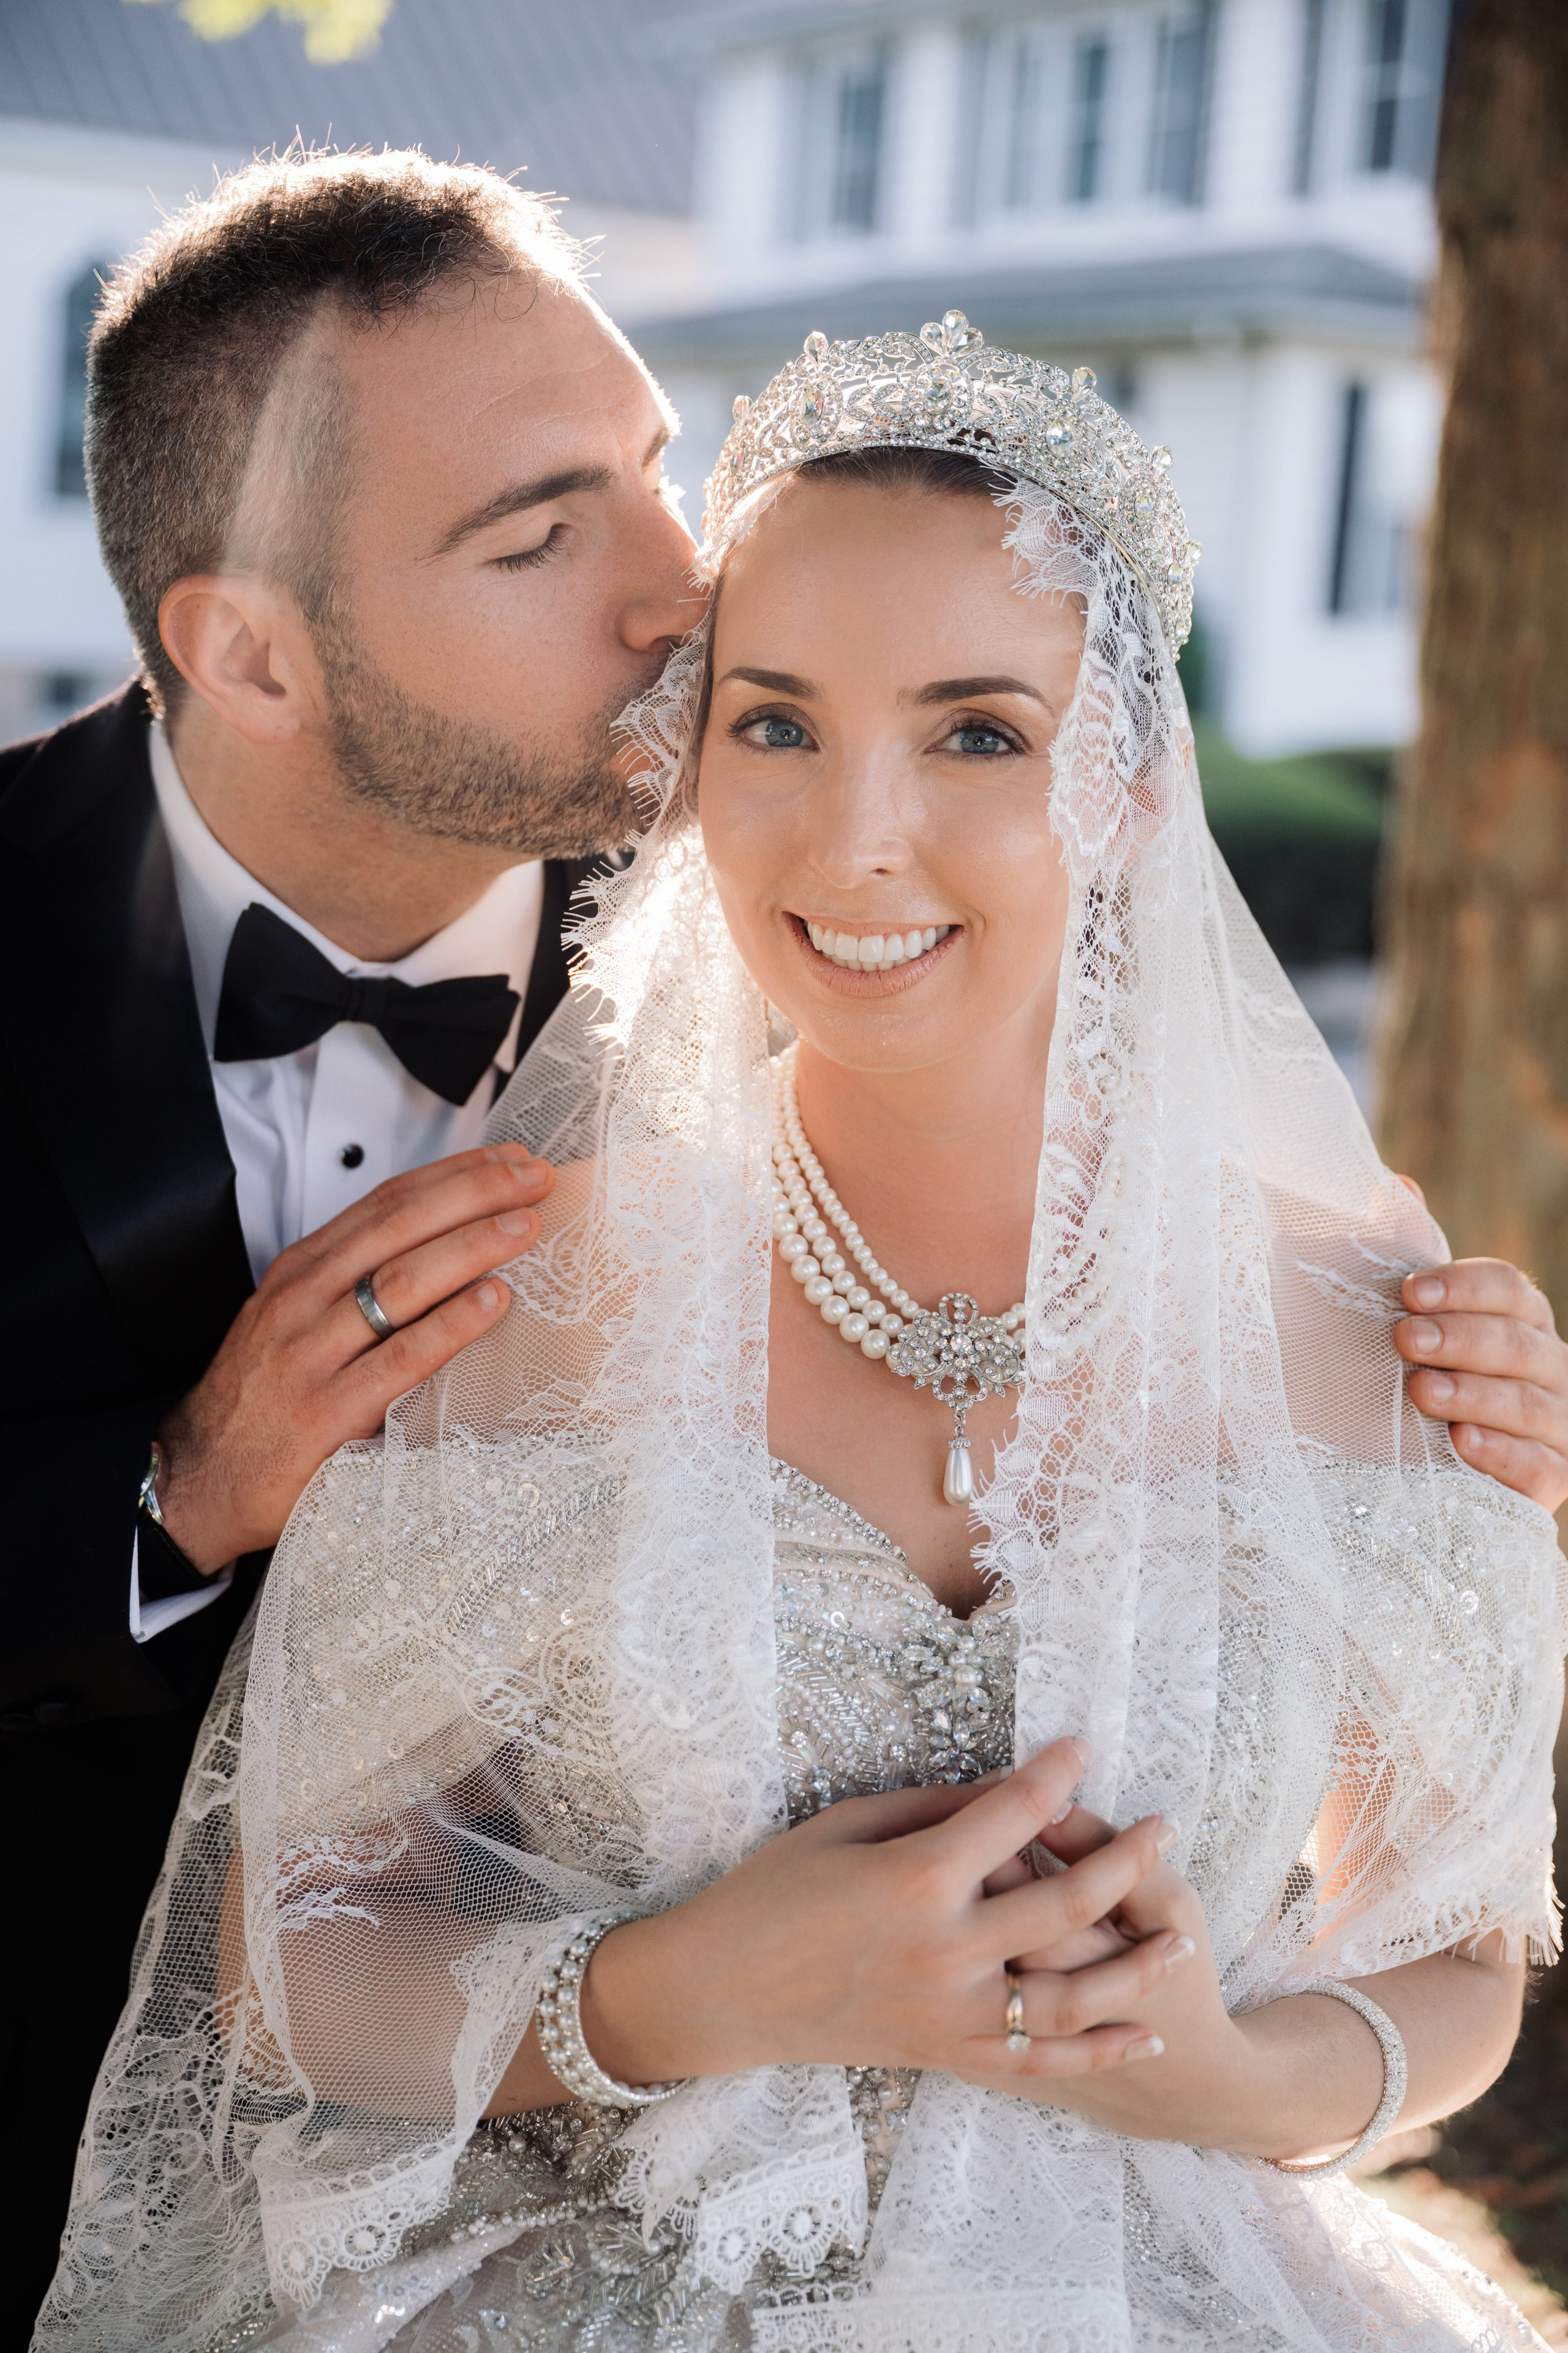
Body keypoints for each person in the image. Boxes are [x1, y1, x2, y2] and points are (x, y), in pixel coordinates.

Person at [40, 321, 1568, 2352]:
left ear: (1122, 781)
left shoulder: (1381, 1325)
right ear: (684, 766)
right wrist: (691, 1988)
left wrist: (1219, 2069)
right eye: (773, 725)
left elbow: (1463, 1948)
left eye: (976, 733)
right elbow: (287, 1947)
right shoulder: (516, 1300)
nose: (856, 837)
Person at [0, 148, 699, 2328]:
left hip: (635, 2169)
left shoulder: (805, 931)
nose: (681, 586)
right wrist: (171, 1497)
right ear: (252, 653)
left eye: (654, 469)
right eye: (542, 532)